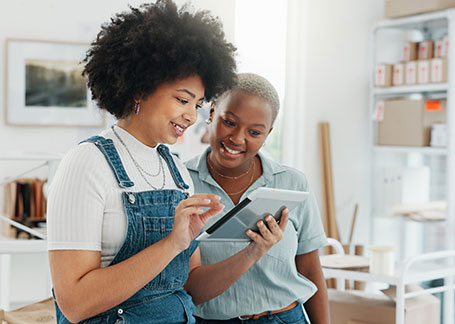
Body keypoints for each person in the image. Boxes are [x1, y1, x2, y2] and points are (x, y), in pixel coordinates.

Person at [47, 2, 288, 324]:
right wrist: (171, 244)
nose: (192, 115)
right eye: (182, 99)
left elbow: (190, 287)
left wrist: (254, 252)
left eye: (198, 104)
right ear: (140, 86)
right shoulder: (86, 163)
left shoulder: (175, 171)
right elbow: (74, 304)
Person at [185, 73, 330, 323]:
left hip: (285, 317)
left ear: (267, 134)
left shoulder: (292, 183)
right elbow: (190, 290)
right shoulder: (182, 183)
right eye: (229, 122)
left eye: (254, 132)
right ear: (211, 113)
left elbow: (309, 268)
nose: (237, 138)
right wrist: (255, 250)